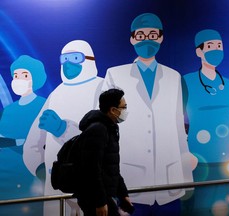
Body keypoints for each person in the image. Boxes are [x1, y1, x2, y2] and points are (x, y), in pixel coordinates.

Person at [102, 12, 197, 216]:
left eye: (153, 34)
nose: (147, 39)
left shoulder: (173, 77)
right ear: (132, 39)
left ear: (161, 38)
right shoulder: (115, 74)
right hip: (130, 179)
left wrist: (187, 180)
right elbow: (105, 128)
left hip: (169, 180)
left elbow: (179, 126)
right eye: (141, 35)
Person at [182, 29, 229, 215]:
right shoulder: (187, 82)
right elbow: (173, 122)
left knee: (223, 211)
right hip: (196, 164)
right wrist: (185, 152)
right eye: (210, 46)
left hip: (225, 165)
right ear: (199, 51)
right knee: (196, 210)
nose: (215, 50)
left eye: (219, 46)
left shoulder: (228, 87)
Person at [23, 40, 103, 216]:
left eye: (75, 58)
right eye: (64, 59)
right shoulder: (56, 94)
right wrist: (41, 169)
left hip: (90, 185)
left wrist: (63, 129)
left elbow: (100, 139)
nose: (68, 64)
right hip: (57, 186)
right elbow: (32, 142)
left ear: (88, 60)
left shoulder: (102, 88)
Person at [74, 88, 134, 216]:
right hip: (95, 197)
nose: (125, 111)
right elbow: (91, 169)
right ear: (113, 110)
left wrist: (123, 194)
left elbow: (111, 167)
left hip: (104, 195)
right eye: (124, 107)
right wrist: (100, 202)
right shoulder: (98, 130)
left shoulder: (110, 128)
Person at [0, 55, 47, 215]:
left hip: (31, 175)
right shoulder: (8, 110)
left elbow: (41, 141)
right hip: (5, 175)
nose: (19, 79)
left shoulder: (43, 105)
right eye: (16, 75)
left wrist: (16, 142)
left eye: (24, 75)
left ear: (35, 78)